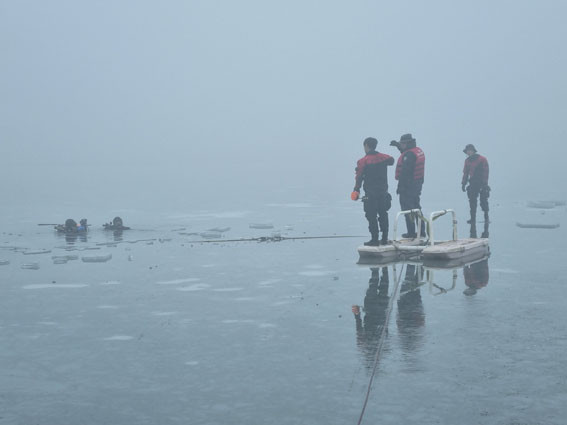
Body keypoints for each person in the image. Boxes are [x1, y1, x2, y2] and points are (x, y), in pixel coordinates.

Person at [351, 137, 394, 246]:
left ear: (366, 146)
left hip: (370, 194)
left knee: (371, 216)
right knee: (383, 214)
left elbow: (359, 177)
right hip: (383, 192)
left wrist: (356, 190)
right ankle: (384, 238)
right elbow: (392, 161)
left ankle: (374, 239)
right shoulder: (384, 158)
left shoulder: (363, 161)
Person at [390, 133, 426, 238]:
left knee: (407, 209)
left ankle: (411, 233)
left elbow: (405, 173)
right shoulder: (416, 150)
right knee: (416, 207)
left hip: (408, 186)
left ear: (407, 143)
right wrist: (397, 146)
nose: (401, 145)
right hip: (417, 183)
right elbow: (406, 152)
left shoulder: (409, 155)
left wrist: (400, 187)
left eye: (402, 143)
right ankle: (421, 232)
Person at [461, 144, 490, 225]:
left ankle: (486, 217)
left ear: (473, 151)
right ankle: (472, 218)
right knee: (472, 201)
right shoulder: (467, 161)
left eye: (470, 150)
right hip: (473, 183)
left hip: (482, 183)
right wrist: (463, 183)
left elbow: (486, 172)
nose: (469, 152)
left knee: (483, 201)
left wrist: (485, 184)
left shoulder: (482, 159)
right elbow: (465, 173)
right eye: (467, 151)